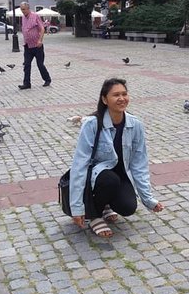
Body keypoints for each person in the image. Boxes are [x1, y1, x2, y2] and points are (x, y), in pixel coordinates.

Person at [69, 78, 164, 238]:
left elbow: (139, 164)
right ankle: (94, 215)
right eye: (116, 95)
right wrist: (77, 208)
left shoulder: (135, 124)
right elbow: (80, 164)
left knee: (128, 207)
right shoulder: (92, 124)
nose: (121, 98)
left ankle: (105, 204)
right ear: (105, 99)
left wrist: (148, 200)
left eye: (124, 94)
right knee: (109, 179)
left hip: (119, 176)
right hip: (96, 177)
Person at [18, 2, 52, 89]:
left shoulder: (35, 16)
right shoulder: (23, 17)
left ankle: (47, 79)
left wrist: (40, 40)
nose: (23, 11)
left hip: (37, 46)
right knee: (27, 65)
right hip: (27, 46)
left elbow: (42, 28)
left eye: (24, 9)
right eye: (21, 9)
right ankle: (27, 84)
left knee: (40, 64)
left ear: (28, 8)